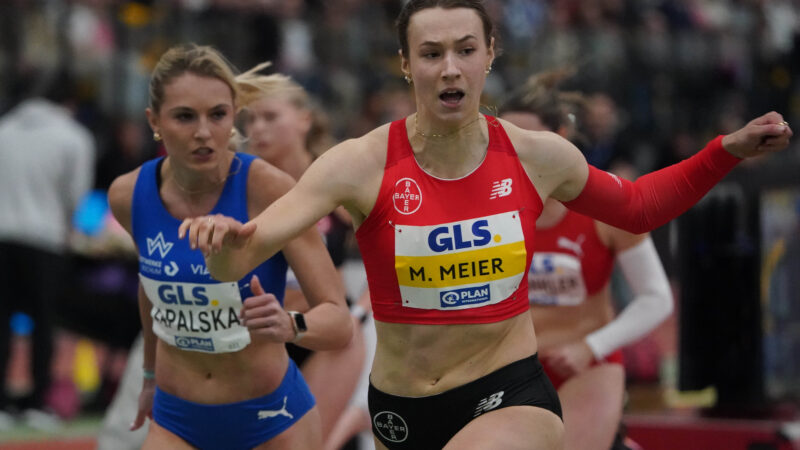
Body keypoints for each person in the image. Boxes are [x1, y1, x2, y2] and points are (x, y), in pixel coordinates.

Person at [179, 1, 792, 448]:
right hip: (401, 407)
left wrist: (725, 151)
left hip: (510, 392)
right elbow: (241, 256)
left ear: (489, 54)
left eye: (465, 50)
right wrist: (221, 242)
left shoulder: (537, 155)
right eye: (431, 53)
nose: (450, 68)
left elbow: (637, 207)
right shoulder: (358, 163)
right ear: (405, 63)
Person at [107, 44, 352, 449]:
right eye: (185, 116)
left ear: (234, 116)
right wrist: (149, 376)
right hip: (176, 419)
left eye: (217, 115)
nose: (203, 132)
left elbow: (339, 323)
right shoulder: (127, 195)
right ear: (155, 121)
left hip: (272, 420)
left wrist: (289, 324)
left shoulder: (268, 188)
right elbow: (151, 290)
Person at [499, 70, 673, 450]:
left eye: (530, 142)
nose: (518, 155)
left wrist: (591, 347)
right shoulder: (486, 213)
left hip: (586, 363)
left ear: (560, 138)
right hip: (510, 370)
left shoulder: (606, 203)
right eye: (507, 144)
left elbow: (657, 298)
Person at [236, 63, 368, 444]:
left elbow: (392, 258)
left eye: (270, 117)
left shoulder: (334, 185)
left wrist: (359, 313)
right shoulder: (240, 185)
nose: (257, 128)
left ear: (304, 120)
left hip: (325, 338)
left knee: (312, 443)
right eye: (251, 119)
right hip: (259, 337)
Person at [0, 69, 96, 431]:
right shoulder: (73, 136)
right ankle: (38, 401)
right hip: (45, 239)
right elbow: (76, 195)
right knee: (44, 323)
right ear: (69, 103)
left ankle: (3, 403)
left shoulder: (4, 130)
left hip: (2, 235)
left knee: (2, 321)